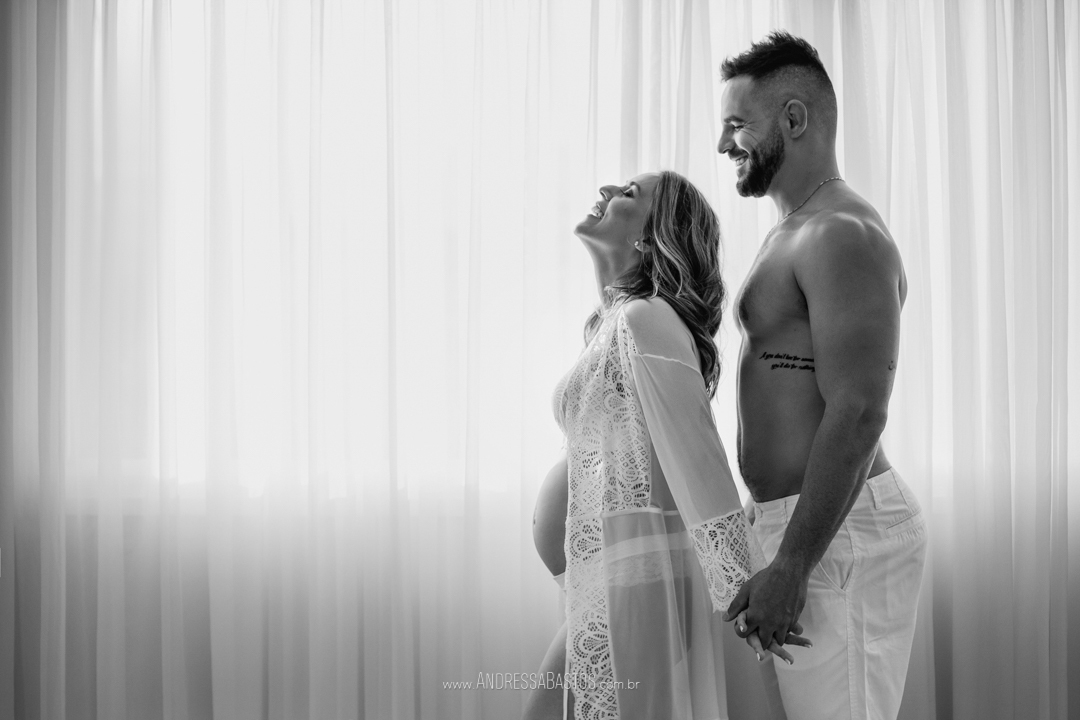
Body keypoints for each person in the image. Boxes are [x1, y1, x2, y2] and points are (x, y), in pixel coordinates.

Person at [524, 171, 794, 720]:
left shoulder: (647, 317)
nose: (605, 190)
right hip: (614, 575)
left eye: (628, 193)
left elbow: (697, 453)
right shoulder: (617, 322)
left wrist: (744, 588)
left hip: (638, 579)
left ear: (651, 238)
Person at [715, 31, 928, 720]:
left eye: (737, 125)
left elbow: (860, 409)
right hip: (803, 529)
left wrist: (793, 564)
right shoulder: (793, 230)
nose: (723, 145)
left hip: (837, 536)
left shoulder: (841, 233)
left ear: (794, 118)